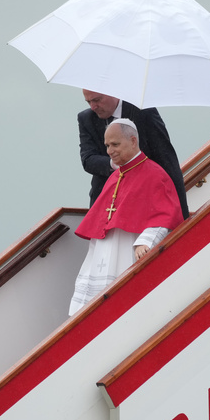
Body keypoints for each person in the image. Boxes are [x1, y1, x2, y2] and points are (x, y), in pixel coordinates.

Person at [69, 119, 184, 315]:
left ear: (133, 141)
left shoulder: (155, 174)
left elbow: (165, 215)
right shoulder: (114, 177)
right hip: (105, 251)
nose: (109, 151)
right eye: (107, 146)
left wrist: (145, 242)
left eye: (115, 144)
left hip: (130, 247)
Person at [78, 89, 190, 219]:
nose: (93, 107)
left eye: (97, 100)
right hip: (106, 201)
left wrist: (182, 213)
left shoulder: (143, 112)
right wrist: (115, 163)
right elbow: (88, 160)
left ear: (112, 93)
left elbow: (166, 159)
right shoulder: (86, 118)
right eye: (88, 102)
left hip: (145, 197)